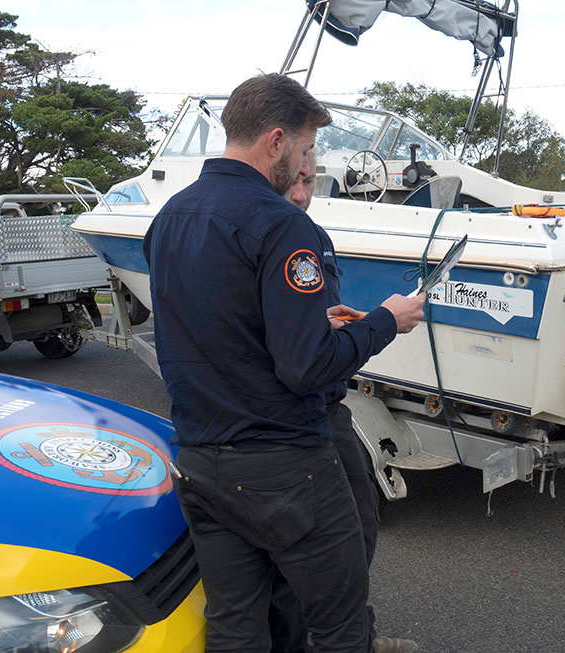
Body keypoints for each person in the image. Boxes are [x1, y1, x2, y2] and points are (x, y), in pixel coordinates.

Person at [143, 73, 425, 652]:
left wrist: (310, 326)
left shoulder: (169, 217)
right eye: (306, 149)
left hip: (201, 458)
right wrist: (383, 321)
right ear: (276, 141)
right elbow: (307, 368)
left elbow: (219, 327)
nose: (305, 164)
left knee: (235, 625)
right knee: (340, 626)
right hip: (283, 466)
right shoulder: (282, 225)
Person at [268, 153, 417, 653]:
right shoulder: (272, 237)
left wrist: (328, 324)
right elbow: (295, 359)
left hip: (331, 408)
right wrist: (382, 323)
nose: (301, 194)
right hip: (296, 419)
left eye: (310, 182)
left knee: (360, 527)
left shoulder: (311, 235)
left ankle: (355, 634)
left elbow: (296, 331)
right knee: (310, 548)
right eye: (292, 182)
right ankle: (324, 640)